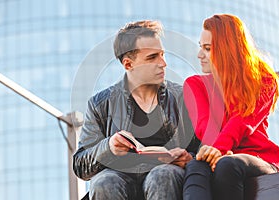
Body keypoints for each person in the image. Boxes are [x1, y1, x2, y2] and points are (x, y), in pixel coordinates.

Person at [73, 20, 200, 200]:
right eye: (152, 57)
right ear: (128, 64)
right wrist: (108, 147)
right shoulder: (100, 103)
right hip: (118, 180)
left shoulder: (183, 97)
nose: (163, 63)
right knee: (103, 182)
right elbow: (80, 165)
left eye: (162, 54)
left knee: (163, 175)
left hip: (167, 177)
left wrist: (190, 159)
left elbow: (205, 147)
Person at [182, 14, 279, 200]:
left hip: (257, 159)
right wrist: (216, 150)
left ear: (226, 48)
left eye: (207, 48)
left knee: (227, 164)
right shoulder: (194, 84)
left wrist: (220, 149)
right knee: (196, 165)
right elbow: (204, 126)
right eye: (200, 47)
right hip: (217, 154)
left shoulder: (264, 80)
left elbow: (243, 120)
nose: (199, 55)